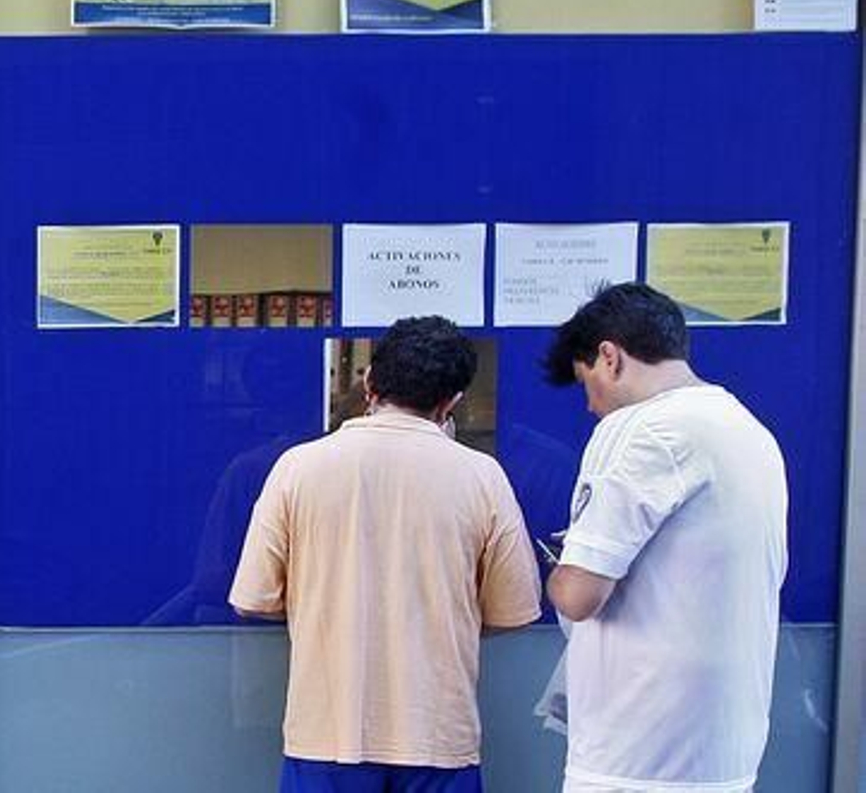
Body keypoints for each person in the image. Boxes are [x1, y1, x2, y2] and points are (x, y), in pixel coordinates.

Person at [230, 316, 543, 793]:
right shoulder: (482, 477)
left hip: (326, 736)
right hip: (438, 738)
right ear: (451, 402)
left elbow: (251, 598)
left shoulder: (297, 467)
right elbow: (513, 611)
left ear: (369, 382)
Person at [543, 283, 787, 793]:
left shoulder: (642, 429)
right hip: (722, 750)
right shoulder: (749, 430)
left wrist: (558, 570)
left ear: (609, 357)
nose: (590, 406)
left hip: (638, 755)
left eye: (586, 383)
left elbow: (581, 594)